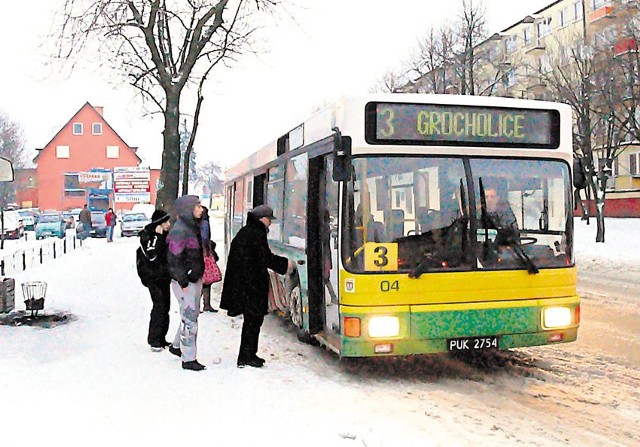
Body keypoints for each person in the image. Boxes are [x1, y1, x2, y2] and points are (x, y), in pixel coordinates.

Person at [220, 205, 293, 368]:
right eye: (269, 220)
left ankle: (248, 354)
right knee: (253, 321)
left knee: (252, 321)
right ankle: (246, 356)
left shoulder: (248, 231)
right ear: (262, 219)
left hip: (245, 283)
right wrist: (284, 264)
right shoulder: (256, 233)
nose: (270, 223)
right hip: (250, 285)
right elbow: (264, 257)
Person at [167, 195, 206, 371]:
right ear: (188, 209)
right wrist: (183, 279)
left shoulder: (191, 227)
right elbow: (174, 258)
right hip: (186, 281)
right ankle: (188, 359)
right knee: (190, 318)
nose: (201, 209)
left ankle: (177, 346)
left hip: (192, 278)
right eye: (197, 206)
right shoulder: (180, 230)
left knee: (189, 314)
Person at [136, 209, 172, 351]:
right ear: (159, 224)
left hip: (163, 277)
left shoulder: (164, 235)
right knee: (159, 306)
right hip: (153, 277)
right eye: (166, 222)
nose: (169, 224)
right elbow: (153, 255)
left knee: (165, 307)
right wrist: (158, 236)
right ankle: (154, 339)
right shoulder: (151, 236)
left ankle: (162, 337)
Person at [199, 206, 218, 313]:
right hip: (205, 253)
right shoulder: (205, 223)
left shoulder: (197, 222)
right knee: (206, 280)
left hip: (202, 253)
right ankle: (205, 304)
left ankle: (202, 304)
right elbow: (205, 238)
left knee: (204, 279)